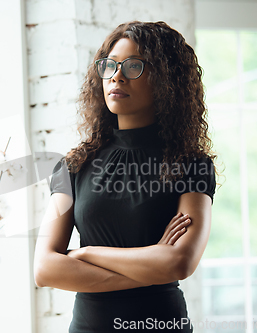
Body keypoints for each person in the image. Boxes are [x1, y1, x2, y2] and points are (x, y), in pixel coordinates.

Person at [33, 21, 219, 333]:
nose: (116, 76)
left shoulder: (191, 164)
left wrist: (87, 253)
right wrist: (150, 264)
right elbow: (45, 269)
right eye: (109, 66)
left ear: (165, 79)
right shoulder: (74, 165)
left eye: (134, 66)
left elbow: (179, 263)